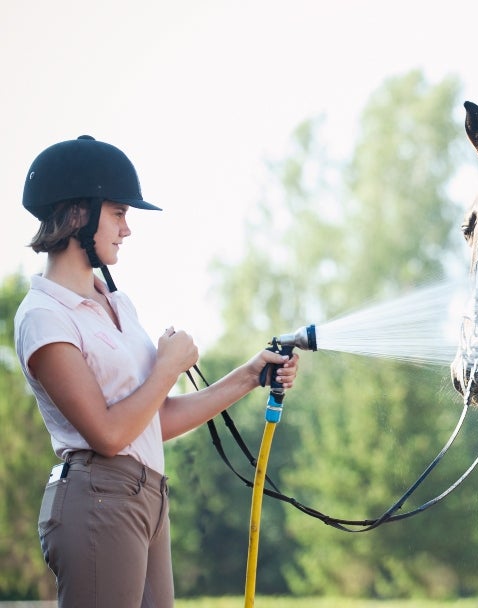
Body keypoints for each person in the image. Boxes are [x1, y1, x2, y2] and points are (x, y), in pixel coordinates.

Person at [13, 135, 300, 607]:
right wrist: (167, 367)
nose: (127, 230)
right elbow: (107, 434)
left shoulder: (117, 304)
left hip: (147, 497)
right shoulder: (45, 316)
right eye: (119, 214)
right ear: (80, 214)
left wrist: (250, 376)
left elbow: (151, 419)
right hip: (99, 496)